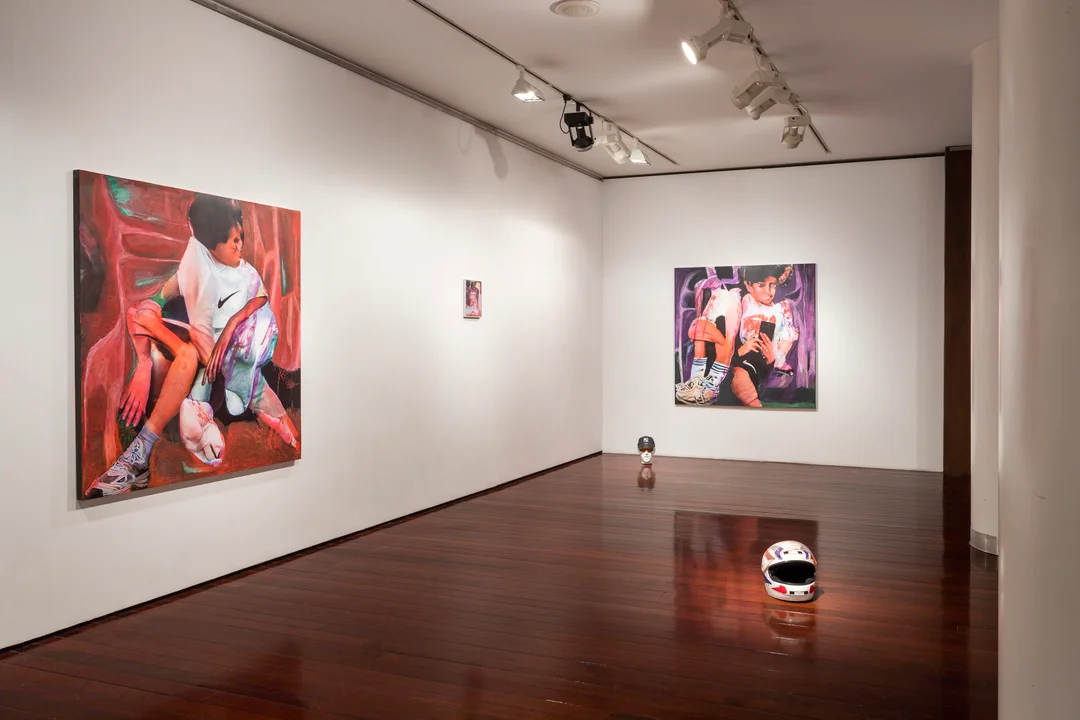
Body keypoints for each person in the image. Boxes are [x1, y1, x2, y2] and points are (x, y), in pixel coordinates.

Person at [85, 194, 299, 498]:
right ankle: (139, 458)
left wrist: (232, 323)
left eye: (241, 237)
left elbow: (214, 344)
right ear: (210, 245)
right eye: (233, 241)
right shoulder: (197, 271)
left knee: (193, 357)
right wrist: (143, 361)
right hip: (204, 368)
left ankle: (140, 456)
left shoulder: (238, 273)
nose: (240, 246)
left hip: (219, 370)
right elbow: (142, 310)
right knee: (181, 350)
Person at [729, 265, 799, 407]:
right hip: (738, 360)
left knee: (744, 377)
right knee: (740, 375)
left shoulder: (781, 311)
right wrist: (742, 349)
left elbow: (784, 345)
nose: (768, 292)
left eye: (772, 285)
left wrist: (772, 359)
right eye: (761, 285)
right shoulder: (743, 301)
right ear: (749, 285)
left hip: (765, 366)